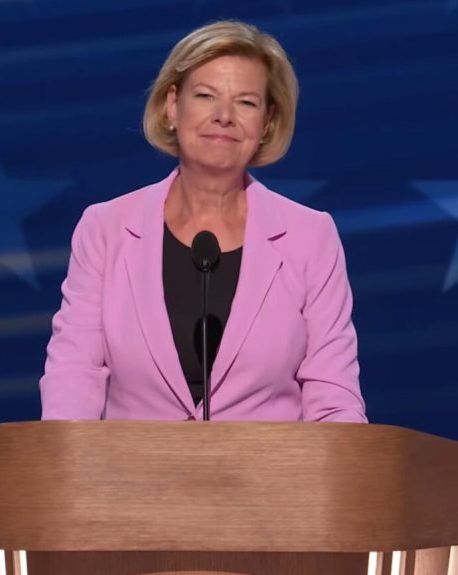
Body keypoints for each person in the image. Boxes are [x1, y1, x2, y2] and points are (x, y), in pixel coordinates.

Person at [39, 20, 366, 423]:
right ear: (172, 106)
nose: (224, 116)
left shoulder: (310, 237)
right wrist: (62, 474)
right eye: (206, 96)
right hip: (131, 480)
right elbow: (74, 373)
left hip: (269, 482)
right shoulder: (105, 228)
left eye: (246, 102)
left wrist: (345, 481)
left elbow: (333, 395)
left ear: (266, 123)